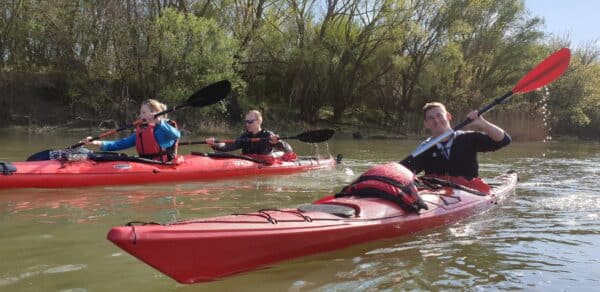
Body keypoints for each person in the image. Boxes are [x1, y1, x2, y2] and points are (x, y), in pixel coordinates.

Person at [401, 102, 511, 192]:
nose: (436, 120)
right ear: (426, 124)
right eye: (431, 118)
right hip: (436, 192)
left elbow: (503, 140)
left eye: (439, 115)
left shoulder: (468, 138)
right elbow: (403, 171)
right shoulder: (424, 148)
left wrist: (482, 123)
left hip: (468, 191)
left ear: (448, 116)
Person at [83, 99, 181, 162]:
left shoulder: (165, 129)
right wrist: (95, 142)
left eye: (143, 112)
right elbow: (120, 144)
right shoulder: (143, 131)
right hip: (145, 164)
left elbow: (176, 135)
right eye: (140, 113)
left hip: (164, 166)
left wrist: (160, 122)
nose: (140, 115)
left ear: (154, 113)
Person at [205, 110, 293, 158]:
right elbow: (228, 146)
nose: (247, 124)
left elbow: (289, 150)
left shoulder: (268, 135)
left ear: (259, 121)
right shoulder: (245, 136)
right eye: (246, 122)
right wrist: (214, 144)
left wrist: (277, 142)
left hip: (264, 162)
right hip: (247, 161)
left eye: (250, 121)